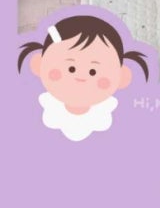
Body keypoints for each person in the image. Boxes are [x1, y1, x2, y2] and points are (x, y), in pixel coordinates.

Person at [18, 15, 149, 140]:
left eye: (93, 71)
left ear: (122, 77)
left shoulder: (110, 110)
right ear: (39, 64)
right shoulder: (43, 103)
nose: (81, 77)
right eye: (71, 68)